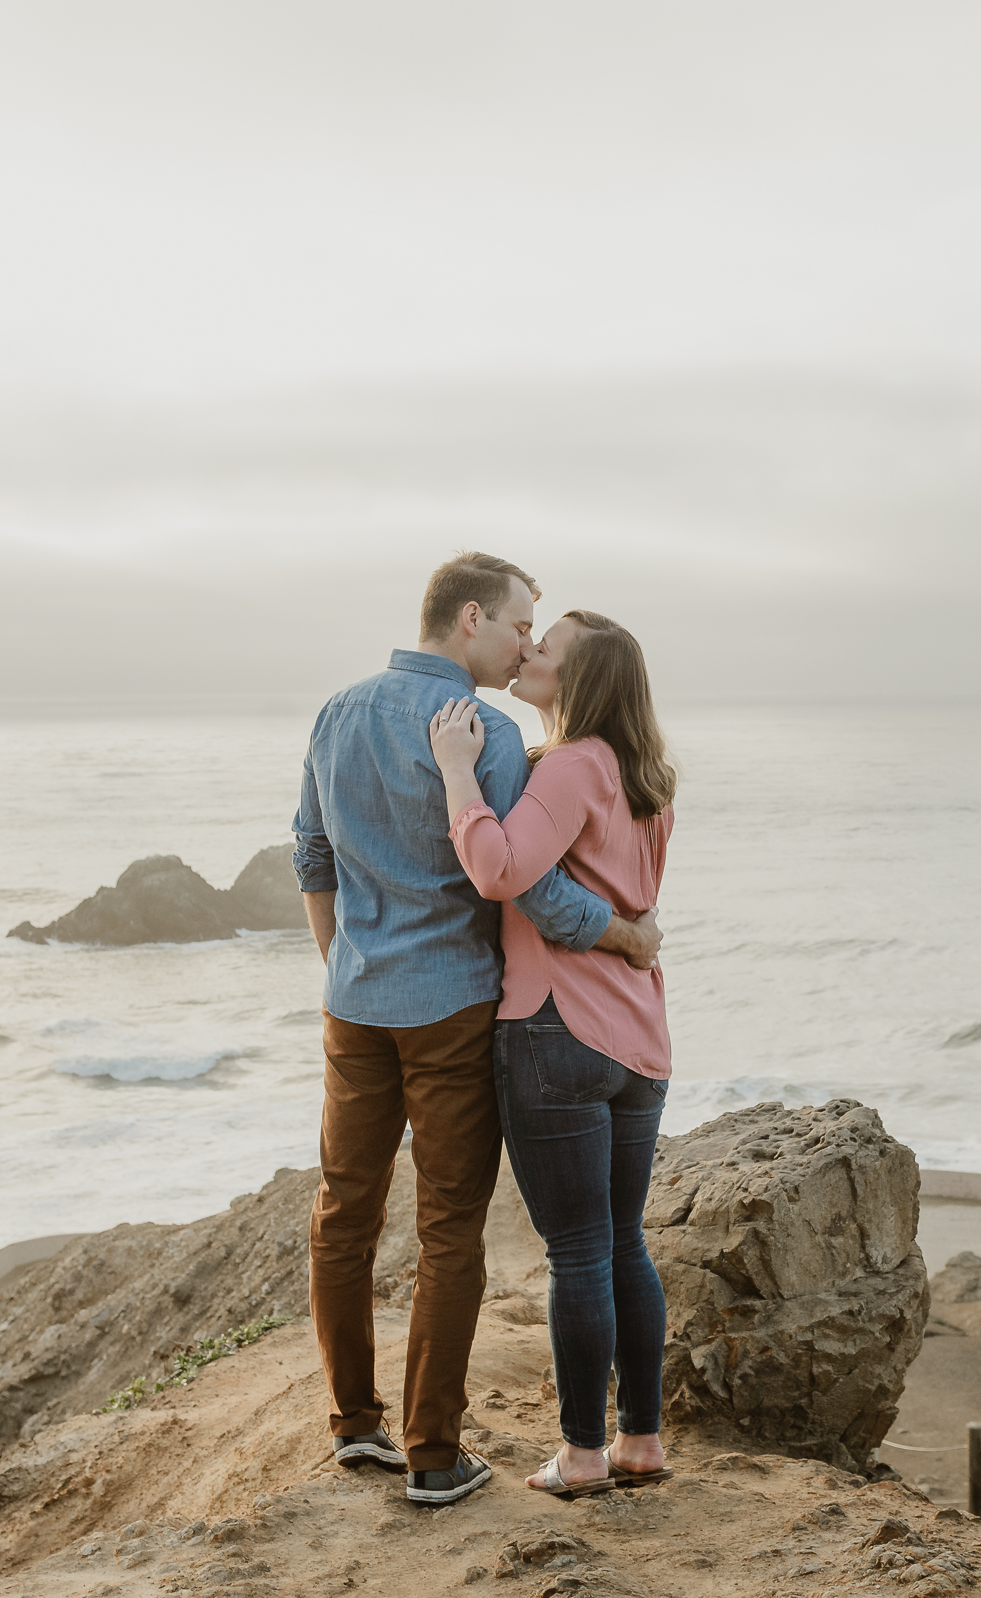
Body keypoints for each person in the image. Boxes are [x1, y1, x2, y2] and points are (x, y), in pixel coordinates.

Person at [293, 552, 664, 1507]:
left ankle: (354, 1427)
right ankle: (431, 1455)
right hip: (455, 1006)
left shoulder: (336, 713)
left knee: (344, 1211)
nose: (525, 643)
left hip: (356, 1003)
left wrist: (342, 961)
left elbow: (313, 852)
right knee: (449, 1224)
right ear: (470, 619)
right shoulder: (488, 734)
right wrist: (621, 934)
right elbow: (529, 885)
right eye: (518, 624)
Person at [425, 607, 676, 1500]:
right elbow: (624, 902)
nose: (529, 651)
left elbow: (500, 869)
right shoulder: (646, 781)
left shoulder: (570, 767)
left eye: (549, 647)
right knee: (621, 1242)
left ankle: (581, 1455)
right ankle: (640, 1439)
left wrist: (460, 775)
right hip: (638, 1039)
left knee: (578, 1252)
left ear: (584, 680)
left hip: (555, 1026)